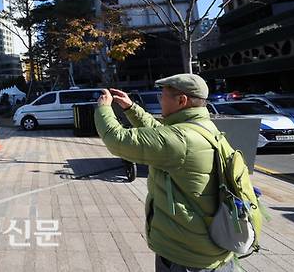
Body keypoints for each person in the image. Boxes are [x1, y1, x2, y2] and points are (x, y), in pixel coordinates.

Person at [93, 74, 238, 271]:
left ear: (181, 100)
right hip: (204, 247)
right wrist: (131, 108)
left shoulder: (181, 139)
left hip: (186, 256)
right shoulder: (202, 127)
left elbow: (118, 140)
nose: (160, 100)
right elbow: (159, 133)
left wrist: (103, 109)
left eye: (163, 96)